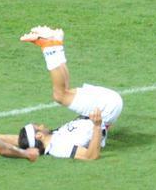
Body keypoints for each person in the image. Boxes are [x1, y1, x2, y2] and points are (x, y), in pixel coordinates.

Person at [15, 25, 123, 158]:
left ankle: (55, 44)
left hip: (103, 109)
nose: (42, 125)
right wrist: (97, 126)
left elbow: (15, 140)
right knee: (60, 96)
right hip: (105, 109)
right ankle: (49, 47)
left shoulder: (53, 140)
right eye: (38, 127)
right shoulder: (58, 148)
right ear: (39, 135)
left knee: (64, 92)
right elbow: (90, 157)